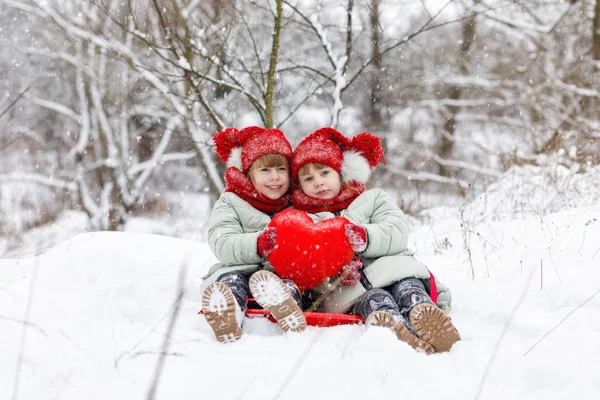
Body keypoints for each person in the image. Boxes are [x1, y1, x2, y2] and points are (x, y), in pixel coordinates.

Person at [291, 127, 461, 354]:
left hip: (393, 269)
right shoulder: (302, 220)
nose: (318, 183)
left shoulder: (373, 199)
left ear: (341, 173)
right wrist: (333, 271)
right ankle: (393, 326)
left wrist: (366, 238)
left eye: (324, 173)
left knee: (406, 287)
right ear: (299, 185)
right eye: (308, 178)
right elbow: (304, 266)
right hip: (352, 289)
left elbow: (397, 231)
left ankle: (422, 312)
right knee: (375, 299)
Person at [200, 126, 306, 343]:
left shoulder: (298, 204)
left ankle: (285, 306)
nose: (275, 177)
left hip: (278, 275)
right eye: (265, 171)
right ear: (249, 174)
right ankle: (228, 314)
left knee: (288, 283)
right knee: (231, 282)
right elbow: (222, 242)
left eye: (281, 169)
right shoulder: (231, 202)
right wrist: (257, 244)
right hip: (239, 268)